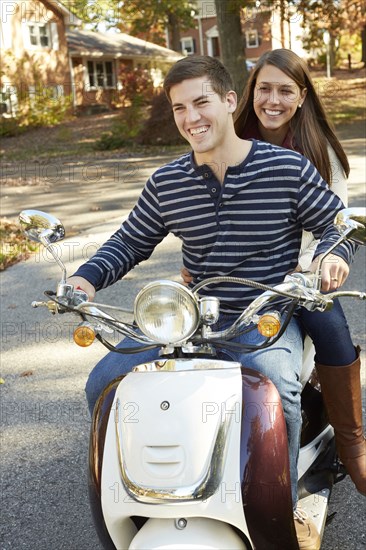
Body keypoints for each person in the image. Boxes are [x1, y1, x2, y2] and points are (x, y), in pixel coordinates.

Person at [68, 55, 356, 549]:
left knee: (273, 388)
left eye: (201, 102)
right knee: (104, 382)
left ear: (227, 101)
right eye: (179, 108)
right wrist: (83, 279)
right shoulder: (167, 181)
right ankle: (141, 495)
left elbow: (338, 223)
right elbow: (128, 242)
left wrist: (332, 256)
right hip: (189, 319)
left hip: (262, 314)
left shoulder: (285, 167)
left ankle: (277, 507)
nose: (190, 118)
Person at [181, 49, 366, 499]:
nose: (273, 100)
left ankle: (352, 443)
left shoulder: (320, 152)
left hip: (300, 275)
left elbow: (335, 225)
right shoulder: (227, 134)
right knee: (177, 333)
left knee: (330, 324)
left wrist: (318, 264)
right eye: (264, 88)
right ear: (248, 93)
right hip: (233, 275)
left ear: (302, 97)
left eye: (285, 90)